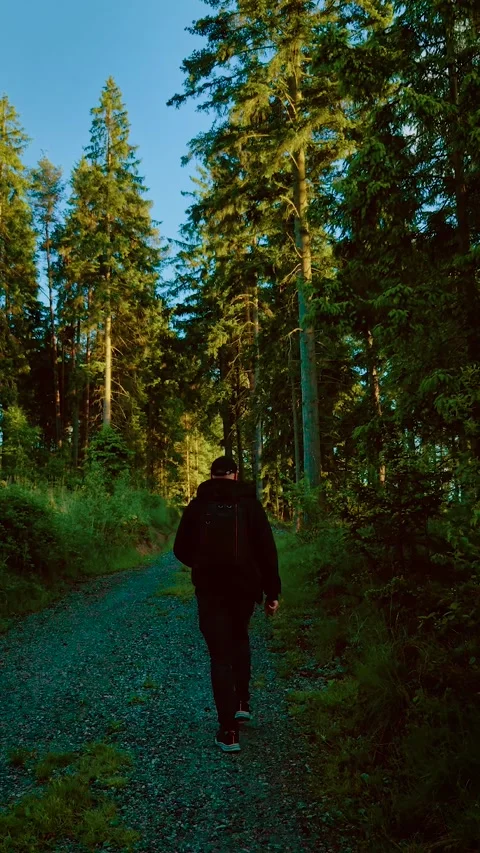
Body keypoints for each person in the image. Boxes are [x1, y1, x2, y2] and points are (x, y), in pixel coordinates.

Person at [173, 455, 281, 753]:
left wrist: (202, 565)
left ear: (212, 475)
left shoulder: (197, 506)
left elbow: (179, 548)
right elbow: (267, 551)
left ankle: (228, 732)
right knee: (240, 638)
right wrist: (272, 593)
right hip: (244, 589)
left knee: (219, 656)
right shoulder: (250, 505)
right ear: (234, 475)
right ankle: (243, 702)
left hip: (210, 590)